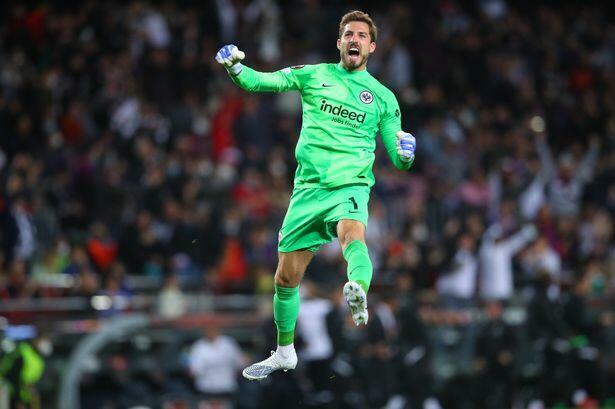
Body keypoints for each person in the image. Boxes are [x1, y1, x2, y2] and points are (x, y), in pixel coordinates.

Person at [215, 10, 416, 380]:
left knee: (351, 234)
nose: (354, 39)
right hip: (307, 191)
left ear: (371, 47)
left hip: (349, 185)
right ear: (339, 42)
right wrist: (236, 69)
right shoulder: (313, 75)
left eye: (362, 35)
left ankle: (358, 291)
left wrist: (405, 153)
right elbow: (262, 82)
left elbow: (398, 154)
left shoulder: (384, 98)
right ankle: (284, 352)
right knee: (285, 279)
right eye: (348, 34)